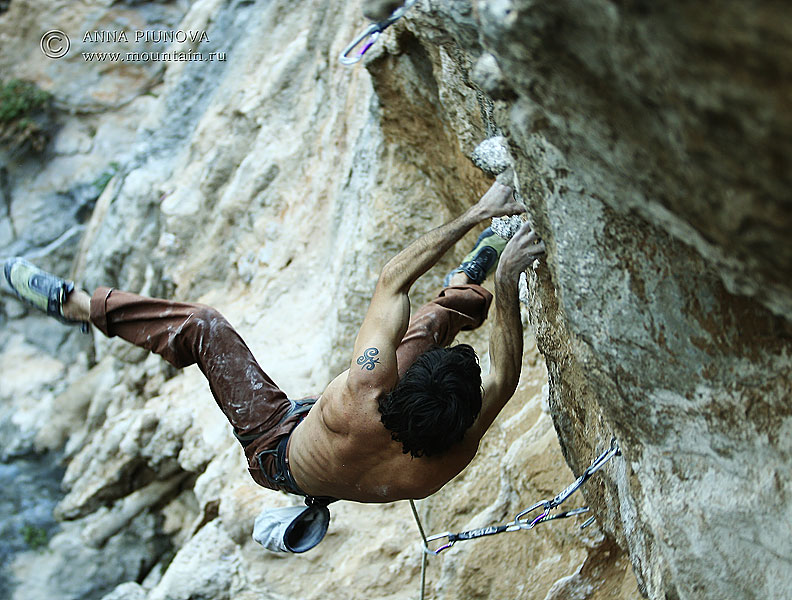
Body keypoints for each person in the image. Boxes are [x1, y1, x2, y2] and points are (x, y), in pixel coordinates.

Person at [3, 181, 545, 551]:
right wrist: (506, 285)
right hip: (333, 452)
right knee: (426, 332)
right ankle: (471, 282)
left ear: (392, 389)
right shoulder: (434, 454)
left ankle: (77, 306)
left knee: (204, 326)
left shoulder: (368, 395)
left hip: (276, 452)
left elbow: (393, 282)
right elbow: (503, 374)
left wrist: (480, 211)